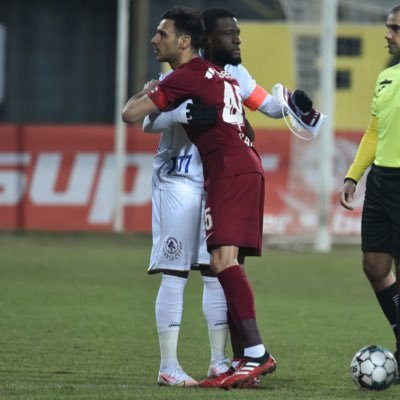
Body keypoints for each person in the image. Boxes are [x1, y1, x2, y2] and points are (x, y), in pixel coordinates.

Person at [136, 7, 314, 388]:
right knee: (180, 271)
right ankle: (172, 364)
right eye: (230, 33)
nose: (237, 39)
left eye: (238, 32)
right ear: (205, 39)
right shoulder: (181, 74)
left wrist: (293, 107)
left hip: (217, 180)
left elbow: (266, 105)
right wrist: (181, 112)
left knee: (216, 269)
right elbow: (146, 118)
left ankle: (223, 361)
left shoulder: (233, 75)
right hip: (182, 176)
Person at [339, 5, 400, 377]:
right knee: (375, 266)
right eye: (388, 27)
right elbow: (375, 131)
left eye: (395, 28)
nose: (387, 34)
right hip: (381, 182)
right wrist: (353, 175)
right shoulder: (386, 78)